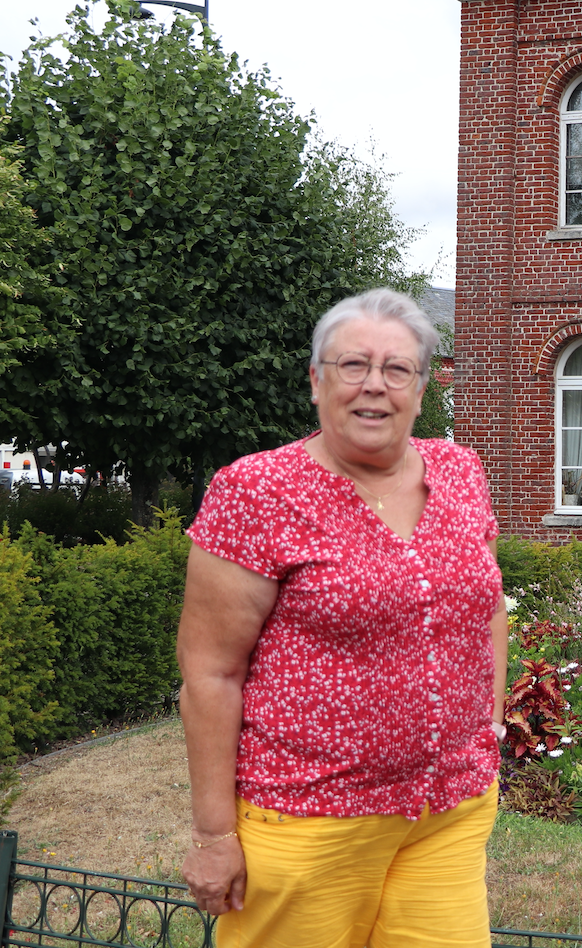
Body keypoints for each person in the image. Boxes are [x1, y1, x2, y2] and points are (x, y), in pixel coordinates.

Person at [176, 288, 507, 948]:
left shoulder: (460, 470)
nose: (373, 386)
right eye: (352, 365)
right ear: (315, 380)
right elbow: (209, 672)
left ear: (421, 386)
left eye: (396, 369)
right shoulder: (256, 491)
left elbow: (486, 602)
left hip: (447, 810)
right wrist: (215, 835)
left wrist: (487, 720)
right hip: (309, 818)